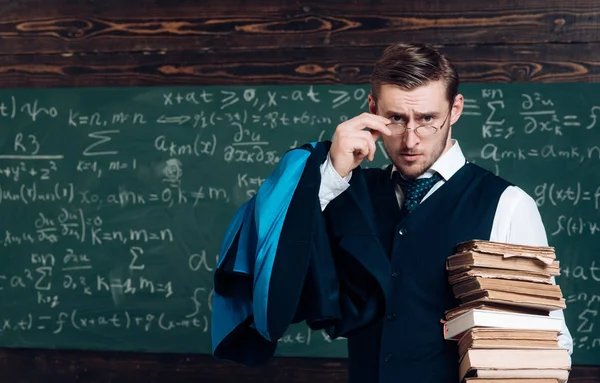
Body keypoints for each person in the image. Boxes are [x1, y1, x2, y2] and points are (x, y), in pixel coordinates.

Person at [212, 43, 573, 383]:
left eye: (428, 118)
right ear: (372, 110)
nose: (411, 139)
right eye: (396, 119)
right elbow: (284, 269)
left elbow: (549, 341)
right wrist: (328, 177)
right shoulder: (343, 191)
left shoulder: (508, 204)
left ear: (456, 109)